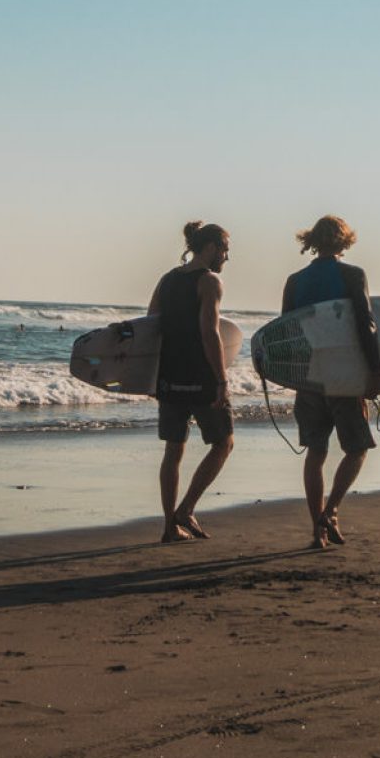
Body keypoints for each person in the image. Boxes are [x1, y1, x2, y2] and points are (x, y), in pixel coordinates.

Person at [281, 215, 380, 550]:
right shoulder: (353, 275)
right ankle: (331, 510)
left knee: (316, 452)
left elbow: (285, 335)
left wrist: (291, 376)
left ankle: (317, 531)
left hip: (309, 378)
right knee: (357, 448)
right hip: (344, 377)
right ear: (343, 242)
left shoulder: (294, 281)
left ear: (313, 240)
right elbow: (365, 325)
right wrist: (375, 372)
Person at [147, 221, 234, 543]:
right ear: (210, 247)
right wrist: (222, 380)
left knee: (173, 450)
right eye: (225, 249)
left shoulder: (167, 279)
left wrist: (151, 377)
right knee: (224, 442)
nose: (226, 257)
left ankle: (170, 526)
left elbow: (150, 327)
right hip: (200, 376)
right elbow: (209, 332)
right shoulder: (210, 281)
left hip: (170, 377)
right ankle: (186, 509)